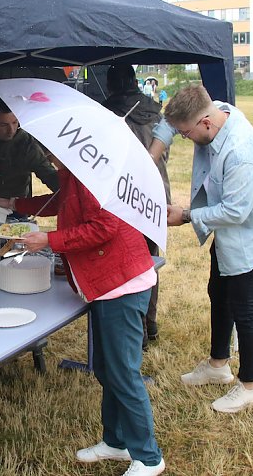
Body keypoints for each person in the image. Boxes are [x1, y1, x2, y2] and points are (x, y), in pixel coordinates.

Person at [0, 157, 166, 476]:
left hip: (121, 284)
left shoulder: (91, 174)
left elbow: (104, 227)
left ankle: (149, 457)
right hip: (107, 285)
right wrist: (15, 202)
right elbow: (61, 201)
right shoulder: (75, 172)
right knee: (106, 368)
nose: (46, 155)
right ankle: (116, 441)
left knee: (123, 373)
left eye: (49, 150)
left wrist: (49, 240)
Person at [162, 84, 253, 413]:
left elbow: (235, 212)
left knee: (245, 310)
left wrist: (187, 215)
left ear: (204, 124)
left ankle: (249, 387)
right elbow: (171, 123)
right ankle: (218, 366)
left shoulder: (241, 153)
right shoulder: (213, 111)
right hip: (230, 236)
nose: (185, 139)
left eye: (186, 134)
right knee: (219, 293)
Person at [103, 63, 171, 348]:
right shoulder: (156, 110)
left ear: (110, 85)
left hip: (127, 197)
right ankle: (150, 323)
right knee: (149, 261)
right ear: (134, 81)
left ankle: (138, 332)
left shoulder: (106, 113)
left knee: (129, 265)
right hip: (156, 194)